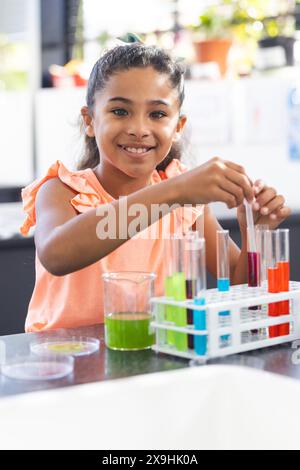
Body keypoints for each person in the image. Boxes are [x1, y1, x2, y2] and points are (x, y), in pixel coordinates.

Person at [20, 42, 291, 332]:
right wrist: (174, 192)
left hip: (153, 359)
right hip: (67, 362)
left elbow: (237, 290)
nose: (139, 128)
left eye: (158, 114)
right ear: (89, 121)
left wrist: (255, 233)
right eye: (120, 111)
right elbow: (57, 256)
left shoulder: (185, 205)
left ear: (178, 127)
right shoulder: (62, 190)